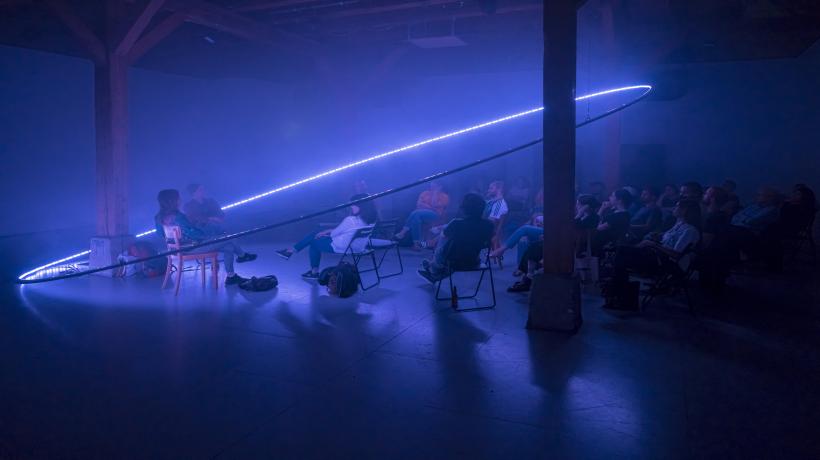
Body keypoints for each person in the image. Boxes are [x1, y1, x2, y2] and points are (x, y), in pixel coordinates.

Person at [605, 200, 701, 308]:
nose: (674, 207)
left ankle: (620, 295)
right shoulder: (678, 225)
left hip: (666, 264)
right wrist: (657, 238)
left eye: (678, 206)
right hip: (656, 257)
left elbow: (676, 255)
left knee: (621, 254)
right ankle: (620, 295)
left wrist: (654, 245)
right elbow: (667, 242)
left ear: (685, 211)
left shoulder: (689, 230)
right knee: (620, 253)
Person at [155, 189, 256, 285]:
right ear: (172, 201)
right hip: (191, 248)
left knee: (228, 246)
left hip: (177, 250)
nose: (180, 200)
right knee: (229, 237)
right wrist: (207, 236)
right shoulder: (179, 216)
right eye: (178, 198)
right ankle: (242, 256)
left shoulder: (158, 218)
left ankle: (231, 276)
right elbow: (194, 234)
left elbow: (160, 235)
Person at [276, 194, 378, 279]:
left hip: (342, 246)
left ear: (361, 205)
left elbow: (334, 234)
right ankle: (291, 252)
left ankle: (300, 260)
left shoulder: (350, 219)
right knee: (317, 233)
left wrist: (327, 232)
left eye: (353, 205)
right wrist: (326, 231)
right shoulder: (371, 219)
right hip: (358, 247)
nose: (351, 207)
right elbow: (346, 231)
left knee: (313, 241)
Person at [417, 193, 495, 283]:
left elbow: (443, 237)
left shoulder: (456, 223)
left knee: (443, 239)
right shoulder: (489, 225)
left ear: (464, 209)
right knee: (450, 242)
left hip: (451, 261)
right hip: (473, 261)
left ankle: (433, 267)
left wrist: (443, 230)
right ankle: (433, 270)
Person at [394, 182, 450, 250]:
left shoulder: (444, 196)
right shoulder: (425, 193)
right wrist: (431, 207)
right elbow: (419, 204)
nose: (431, 186)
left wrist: (435, 193)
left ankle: (403, 232)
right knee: (416, 219)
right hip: (421, 213)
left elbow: (434, 204)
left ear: (440, 187)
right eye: (431, 184)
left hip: (435, 215)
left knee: (416, 213)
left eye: (434, 185)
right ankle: (416, 244)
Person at [592, 189, 632, 254]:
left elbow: (597, 227)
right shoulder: (625, 213)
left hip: (607, 246)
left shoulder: (619, 215)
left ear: (619, 200)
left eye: (612, 196)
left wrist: (602, 209)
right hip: (609, 244)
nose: (609, 197)